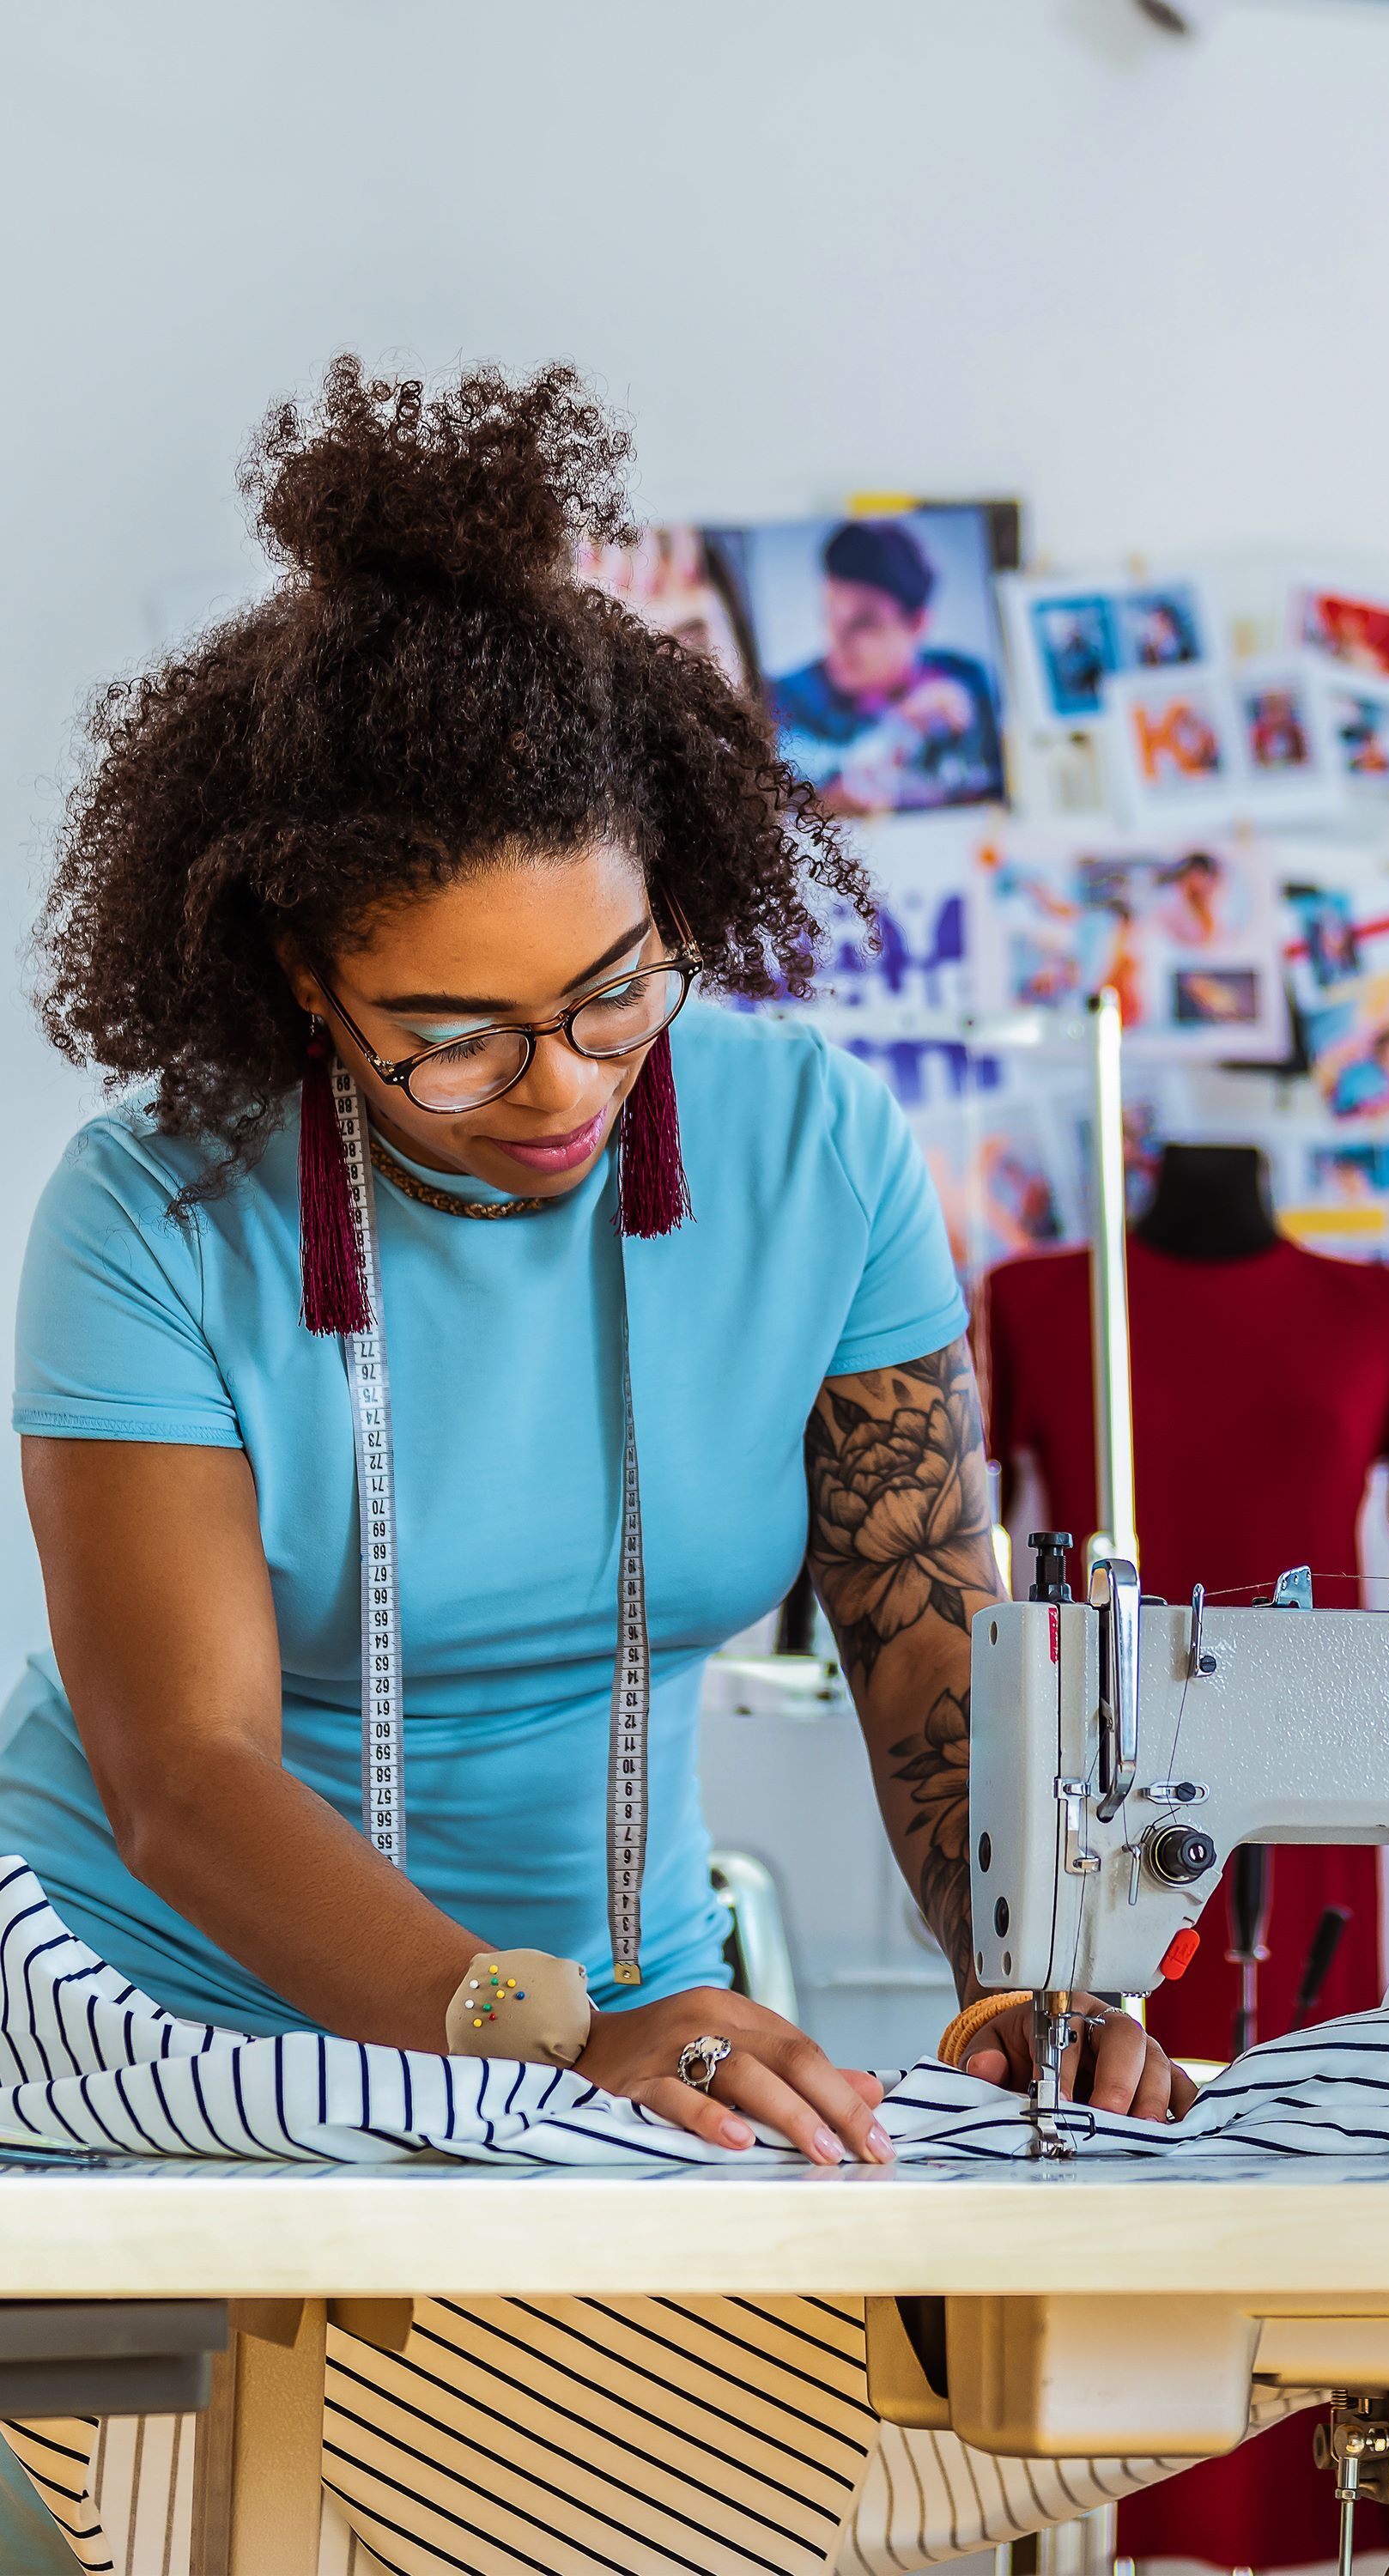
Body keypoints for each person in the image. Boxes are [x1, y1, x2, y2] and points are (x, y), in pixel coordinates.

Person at [0, 358, 1190, 2575]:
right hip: (170, 2060)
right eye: (450, 1035)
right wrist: (531, 2026)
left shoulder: (815, 1147)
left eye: (612, 991)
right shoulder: (150, 1216)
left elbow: (925, 1637)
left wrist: (1025, 1972)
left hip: (614, 2071)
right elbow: (183, 1766)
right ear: (294, 972)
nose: (555, 1084)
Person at [769, 517, 1004, 813]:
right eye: (829, 616)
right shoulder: (786, 697)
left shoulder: (967, 678)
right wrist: (900, 727)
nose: (836, 640)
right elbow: (783, 795)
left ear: (917, 623)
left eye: (864, 623)